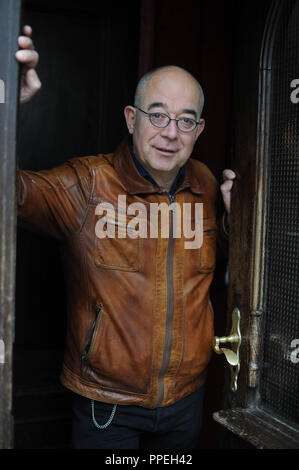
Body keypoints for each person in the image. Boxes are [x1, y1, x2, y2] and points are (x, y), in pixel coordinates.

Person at [15, 25, 236, 449]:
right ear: (132, 118)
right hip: (107, 407)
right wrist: (9, 106)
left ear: (199, 129)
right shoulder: (88, 184)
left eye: (185, 120)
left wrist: (234, 221)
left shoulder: (206, 186)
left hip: (186, 402)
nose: (171, 132)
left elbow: (215, 265)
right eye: (157, 115)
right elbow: (10, 193)